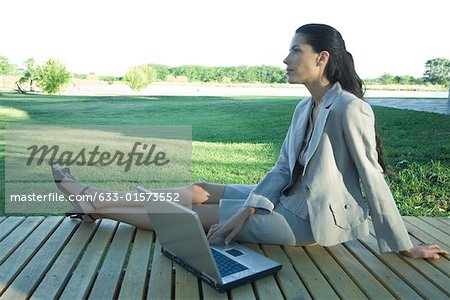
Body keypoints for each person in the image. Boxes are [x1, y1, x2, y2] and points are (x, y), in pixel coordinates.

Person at [51, 24, 448, 259]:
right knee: (201, 191)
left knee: (198, 216)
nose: (286, 58)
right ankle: (93, 198)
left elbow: (373, 180)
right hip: (284, 198)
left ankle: (92, 203)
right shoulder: (304, 108)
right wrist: (249, 208)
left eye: (296, 50)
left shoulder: (348, 109)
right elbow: (279, 170)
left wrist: (403, 246)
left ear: (322, 58)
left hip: (309, 220)